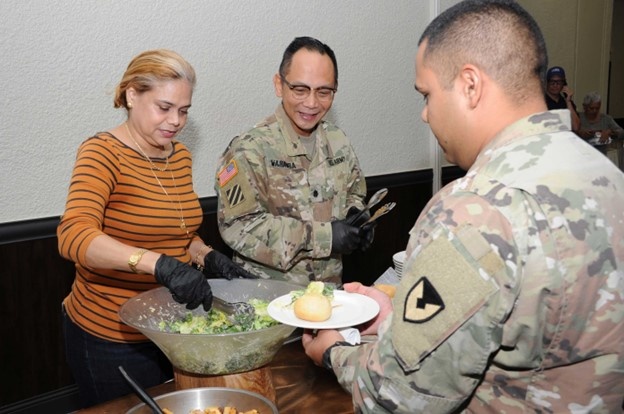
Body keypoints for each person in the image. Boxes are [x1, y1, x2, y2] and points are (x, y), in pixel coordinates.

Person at [302, 1, 624, 412]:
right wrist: (398, 314)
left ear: (470, 85)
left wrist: (333, 351)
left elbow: (402, 396)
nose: (424, 114)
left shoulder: (475, 209)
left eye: (427, 94)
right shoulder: (607, 176)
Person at [58, 49, 254, 408]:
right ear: (132, 95)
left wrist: (206, 256)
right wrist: (158, 264)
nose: (175, 120)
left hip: (169, 328)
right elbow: (74, 236)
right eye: (164, 107)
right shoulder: (102, 153)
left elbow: (177, 232)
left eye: (184, 110)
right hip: (110, 336)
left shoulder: (178, 155)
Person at [214, 36, 373, 286]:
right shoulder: (249, 149)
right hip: (269, 302)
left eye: (323, 92)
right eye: (300, 89)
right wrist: (325, 237)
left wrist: (357, 217)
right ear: (279, 85)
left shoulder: (337, 140)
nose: (311, 103)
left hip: (327, 297)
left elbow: (354, 192)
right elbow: (240, 227)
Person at [544, 65, 581, 132]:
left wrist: (568, 102)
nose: (555, 85)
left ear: (564, 84)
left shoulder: (567, 102)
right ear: (547, 83)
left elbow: (576, 127)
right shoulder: (541, 102)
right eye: (552, 82)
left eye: (559, 82)